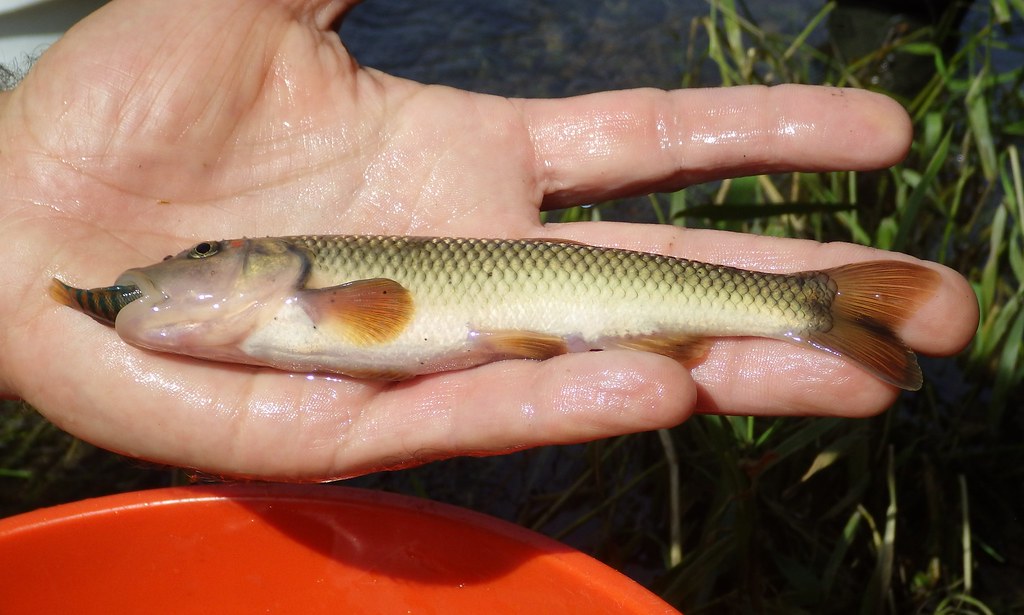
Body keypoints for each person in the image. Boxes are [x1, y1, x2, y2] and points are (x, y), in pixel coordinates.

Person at [0, 0, 977, 480]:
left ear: (263, 262)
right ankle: (809, 311)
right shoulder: (269, 307)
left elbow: (380, 316)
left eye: (198, 257)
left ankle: (812, 310)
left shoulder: (300, 293)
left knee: (702, 328)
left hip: (558, 299)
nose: (175, 271)